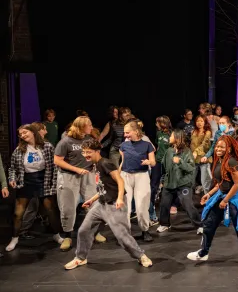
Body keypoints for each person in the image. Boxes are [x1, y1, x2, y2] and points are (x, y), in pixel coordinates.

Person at [64, 139, 153, 270]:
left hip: (114, 205)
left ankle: (141, 256)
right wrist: (92, 199)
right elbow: (103, 187)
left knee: (122, 236)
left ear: (97, 151)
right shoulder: (95, 165)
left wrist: (120, 199)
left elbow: (120, 181)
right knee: (84, 230)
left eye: (88, 152)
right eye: (84, 152)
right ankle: (80, 258)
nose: (85, 155)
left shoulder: (106, 163)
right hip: (101, 204)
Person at [187, 135, 238, 267]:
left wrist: (226, 200)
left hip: (236, 196)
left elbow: (237, 183)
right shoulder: (220, 161)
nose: (218, 149)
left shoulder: (231, 162)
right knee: (209, 223)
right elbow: (221, 182)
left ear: (228, 148)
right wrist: (209, 194)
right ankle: (203, 252)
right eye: (217, 146)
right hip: (222, 194)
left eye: (222, 147)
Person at [4, 125, 63, 252]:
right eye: (20, 134)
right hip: (26, 181)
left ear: (32, 132)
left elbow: (55, 165)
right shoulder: (19, 149)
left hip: (44, 180)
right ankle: (15, 238)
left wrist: (55, 181)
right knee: (18, 213)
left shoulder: (47, 146)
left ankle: (57, 235)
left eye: (25, 132)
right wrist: (12, 179)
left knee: (50, 209)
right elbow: (12, 168)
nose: (22, 135)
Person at [54, 116, 104, 251]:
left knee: (93, 204)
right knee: (68, 207)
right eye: (89, 125)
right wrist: (76, 169)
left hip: (88, 175)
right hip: (69, 176)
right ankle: (68, 236)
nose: (91, 127)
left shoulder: (89, 139)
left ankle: (94, 232)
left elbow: (95, 155)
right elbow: (57, 161)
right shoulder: (65, 142)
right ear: (81, 126)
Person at [156, 129, 203, 234]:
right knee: (164, 204)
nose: (169, 138)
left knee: (187, 204)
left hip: (183, 184)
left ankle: (199, 225)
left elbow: (191, 168)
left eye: (171, 136)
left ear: (177, 138)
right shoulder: (169, 151)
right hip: (169, 183)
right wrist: (163, 179)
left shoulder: (187, 152)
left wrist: (180, 162)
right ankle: (164, 224)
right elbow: (164, 166)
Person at [120, 120, 156, 242]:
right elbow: (122, 161)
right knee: (126, 207)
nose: (125, 135)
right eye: (124, 133)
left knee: (141, 206)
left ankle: (145, 230)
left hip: (141, 176)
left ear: (135, 131)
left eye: (127, 132)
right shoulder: (123, 145)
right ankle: (125, 234)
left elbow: (153, 162)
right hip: (125, 175)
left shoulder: (147, 145)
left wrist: (148, 162)